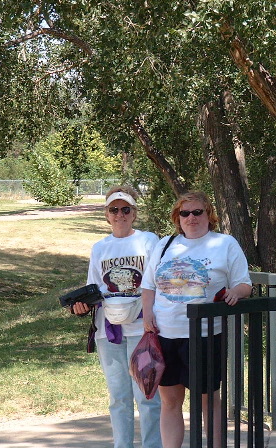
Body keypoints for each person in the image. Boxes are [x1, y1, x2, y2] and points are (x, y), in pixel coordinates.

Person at [141, 191, 252, 448]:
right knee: (170, 401)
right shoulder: (165, 245)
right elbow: (149, 286)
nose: (191, 218)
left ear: (209, 215)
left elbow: (244, 284)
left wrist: (236, 292)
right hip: (165, 335)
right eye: (185, 213)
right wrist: (147, 313)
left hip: (204, 335)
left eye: (197, 212)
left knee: (207, 400)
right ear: (177, 218)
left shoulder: (225, 244)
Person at [71, 185, 162, 448]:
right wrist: (81, 306)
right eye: (114, 210)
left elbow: (156, 282)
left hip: (142, 328)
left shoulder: (148, 240)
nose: (120, 214)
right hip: (109, 330)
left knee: (146, 394)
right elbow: (95, 288)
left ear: (134, 213)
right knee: (119, 396)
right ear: (107, 215)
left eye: (125, 209)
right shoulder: (100, 248)